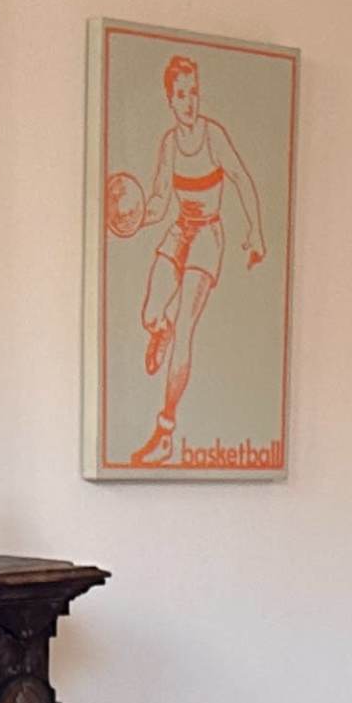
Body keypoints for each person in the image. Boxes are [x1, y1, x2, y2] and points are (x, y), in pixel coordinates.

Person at [106, 53, 262, 466]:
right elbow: (158, 204)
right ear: (170, 101)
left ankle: (165, 430)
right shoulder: (169, 145)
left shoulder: (213, 137)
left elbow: (242, 178)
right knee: (150, 313)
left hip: (208, 235)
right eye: (181, 95)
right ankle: (160, 326)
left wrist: (256, 232)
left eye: (194, 93)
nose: (190, 102)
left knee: (185, 332)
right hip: (179, 230)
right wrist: (132, 220)